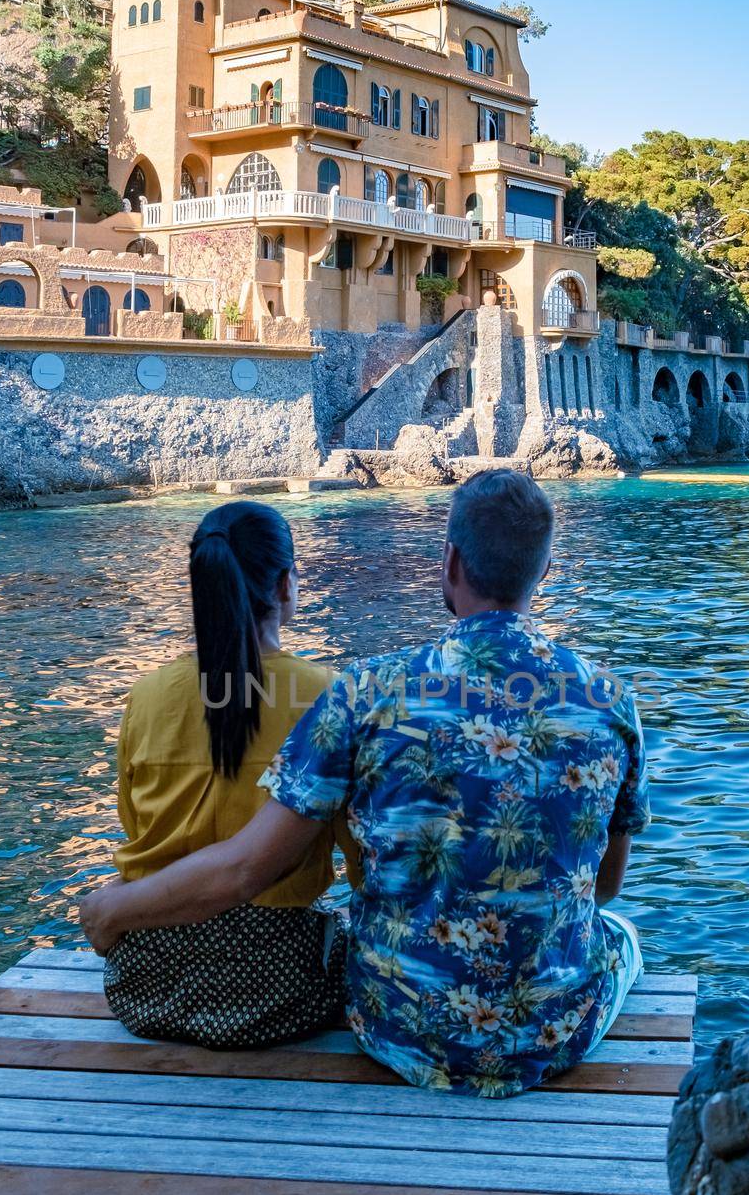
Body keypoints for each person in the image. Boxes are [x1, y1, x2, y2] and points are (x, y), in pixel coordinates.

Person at [80, 469, 650, 1097]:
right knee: (619, 933)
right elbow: (605, 886)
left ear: (451, 561)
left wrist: (111, 910)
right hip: (551, 1035)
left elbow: (248, 865)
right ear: (542, 573)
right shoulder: (608, 697)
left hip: (397, 1029)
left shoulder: (362, 693)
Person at [100, 499, 359, 1049]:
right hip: (280, 988)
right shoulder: (327, 696)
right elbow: (358, 851)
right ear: (286, 585)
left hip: (147, 979)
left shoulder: (145, 698)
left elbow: (134, 827)